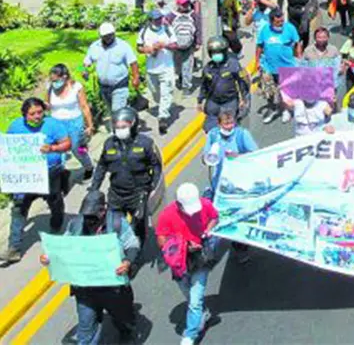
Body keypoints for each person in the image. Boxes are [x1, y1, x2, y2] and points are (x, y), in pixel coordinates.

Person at [41, 189, 140, 345]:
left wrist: (127, 262)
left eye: (92, 216)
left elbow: (132, 244)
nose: (88, 220)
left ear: (103, 210)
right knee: (85, 332)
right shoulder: (75, 225)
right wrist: (50, 257)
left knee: (124, 323)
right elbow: (63, 247)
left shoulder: (117, 223)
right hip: (85, 289)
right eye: (86, 216)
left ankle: (126, 332)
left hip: (113, 289)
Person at [2, 97, 72, 263]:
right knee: (19, 209)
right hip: (26, 177)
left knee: (55, 203)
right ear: (25, 114)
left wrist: (53, 148)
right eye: (32, 113)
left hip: (50, 174)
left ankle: (56, 227)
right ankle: (14, 248)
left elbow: (67, 144)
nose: (37, 116)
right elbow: (7, 146)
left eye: (40, 112)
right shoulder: (16, 126)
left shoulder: (53, 125)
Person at [89, 107, 162, 249]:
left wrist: (153, 188)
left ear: (133, 125)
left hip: (138, 194)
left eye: (124, 126)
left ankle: (135, 255)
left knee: (137, 228)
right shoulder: (109, 143)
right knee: (113, 227)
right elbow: (102, 166)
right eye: (117, 127)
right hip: (116, 194)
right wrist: (94, 188)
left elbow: (156, 166)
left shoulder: (145, 143)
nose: (120, 129)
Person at [156, 183, 219, 345]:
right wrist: (183, 246)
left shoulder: (205, 204)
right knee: (188, 294)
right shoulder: (167, 214)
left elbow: (214, 217)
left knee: (195, 300)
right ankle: (201, 314)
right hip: (180, 261)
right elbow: (161, 240)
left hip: (200, 257)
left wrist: (207, 231)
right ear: (178, 205)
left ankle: (190, 335)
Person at [83, 22, 140, 129]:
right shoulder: (94, 47)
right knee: (111, 110)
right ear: (101, 36)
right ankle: (127, 122)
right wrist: (83, 70)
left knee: (116, 111)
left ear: (114, 34)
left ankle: (118, 133)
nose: (108, 38)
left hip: (119, 85)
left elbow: (133, 62)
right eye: (105, 36)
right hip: (103, 87)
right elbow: (85, 62)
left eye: (110, 35)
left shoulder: (123, 46)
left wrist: (136, 77)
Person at [47, 64, 96, 179]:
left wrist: (90, 125)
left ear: (64, 77)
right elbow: (48, 104)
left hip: (74, 122)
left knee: (76, 148)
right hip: (57, 123)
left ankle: (88, 166)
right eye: (52, 80)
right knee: (59, 150)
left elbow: (84, 106)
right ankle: (60, 173)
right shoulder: (50, 87)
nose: (54, 82)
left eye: (56, 80)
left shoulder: (76, 87)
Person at [202, 109, 258, 204]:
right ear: (219, 124)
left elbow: (256, 155)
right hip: (220, 182)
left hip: (240, 182)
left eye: (231, 123)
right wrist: (207, 158)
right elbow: (205, 156)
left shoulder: (242, 134)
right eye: (226, 124)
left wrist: (238, 156)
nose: (229, 127)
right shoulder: (213, 135)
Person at [256, 11, 302, 125]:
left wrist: (299, 59)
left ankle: (286, 110)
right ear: (271, 21)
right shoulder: (265, 30)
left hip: (286, 66)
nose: (281, 24)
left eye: (282, 21)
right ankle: (272, 109)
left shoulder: (290, 28)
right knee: (269, 92)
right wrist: (257, 61)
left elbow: (297, 44)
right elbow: (259, 46)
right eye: (277, 22)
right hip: (268, 67)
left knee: (285, 91)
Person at [138, 9, 178, 135]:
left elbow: (175, 45)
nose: (159, 21)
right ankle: (163, 106)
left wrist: (163, 45)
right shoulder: (144, 31)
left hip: (166, 68)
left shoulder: (167, 29)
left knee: (166, 92)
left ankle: (163, 118)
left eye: (160, 18)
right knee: (156, 93)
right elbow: (138, 47)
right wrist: (148, 49)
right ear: (150, 20)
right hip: (151, 69)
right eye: (156, 19)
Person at [198, 36, 250, 132]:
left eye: (218, 52)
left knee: (228, 128)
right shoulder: (208, 68)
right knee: (210, 130)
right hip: (213, 103)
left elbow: (243, 83)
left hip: (229, 102)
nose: (216, 55)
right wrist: (200, 100)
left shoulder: (233, 65)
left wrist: (244, 99)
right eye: (214, 52)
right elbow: (204, 85)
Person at [167, 0, 200, 96]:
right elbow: (167, 29)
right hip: (176, 47)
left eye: (187, 3)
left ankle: (186, 86)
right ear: (178, 4)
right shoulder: (171, 16)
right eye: (183, 4)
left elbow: (198, 28)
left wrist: (198, 42)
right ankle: (181, 77)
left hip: (189, 46)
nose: (186, 5)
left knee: (188, 66)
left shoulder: (193, 15)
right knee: (178, 66)